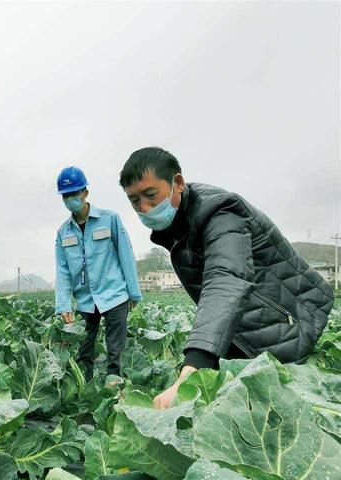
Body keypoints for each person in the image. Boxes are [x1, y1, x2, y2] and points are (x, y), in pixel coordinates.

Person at [119, 147, 334, 409]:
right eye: (134, 200)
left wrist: (193, 368)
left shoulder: (221, 212)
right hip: (245, 328)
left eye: (150, 195)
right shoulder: (178, 223)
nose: (144, 207)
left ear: (177, 183)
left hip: (286, 325)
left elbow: (226, 280)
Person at [54, 166, 142, 381]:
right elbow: (63, 271)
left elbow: (126, 255)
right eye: (66, 195)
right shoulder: (63, 232)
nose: (71, 199)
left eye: (75, 193)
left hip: (114, 295)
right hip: (85, 299)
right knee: (84, 350)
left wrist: (134, 292)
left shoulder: (110, 219)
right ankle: (86, 392)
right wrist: (63, 304)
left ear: (85, 192)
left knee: (115, 351)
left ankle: (114, 392)